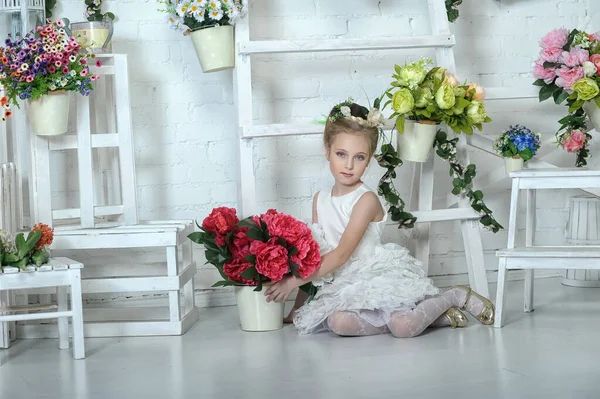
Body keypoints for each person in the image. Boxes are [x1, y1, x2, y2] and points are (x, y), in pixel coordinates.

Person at [264, 99, 495, 337]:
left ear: (370, 158)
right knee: (338, 323)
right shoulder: (319, 199)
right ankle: (432, 317)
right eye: (341, 154)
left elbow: (342, 254)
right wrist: (297, 308)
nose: (349, 165)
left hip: (373, 277)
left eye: (359, 157)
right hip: (343, 284)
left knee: (402, 329)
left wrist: (292, 281)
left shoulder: (365, 200)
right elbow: (316, 255)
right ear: (327, 150)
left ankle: (454, 296)